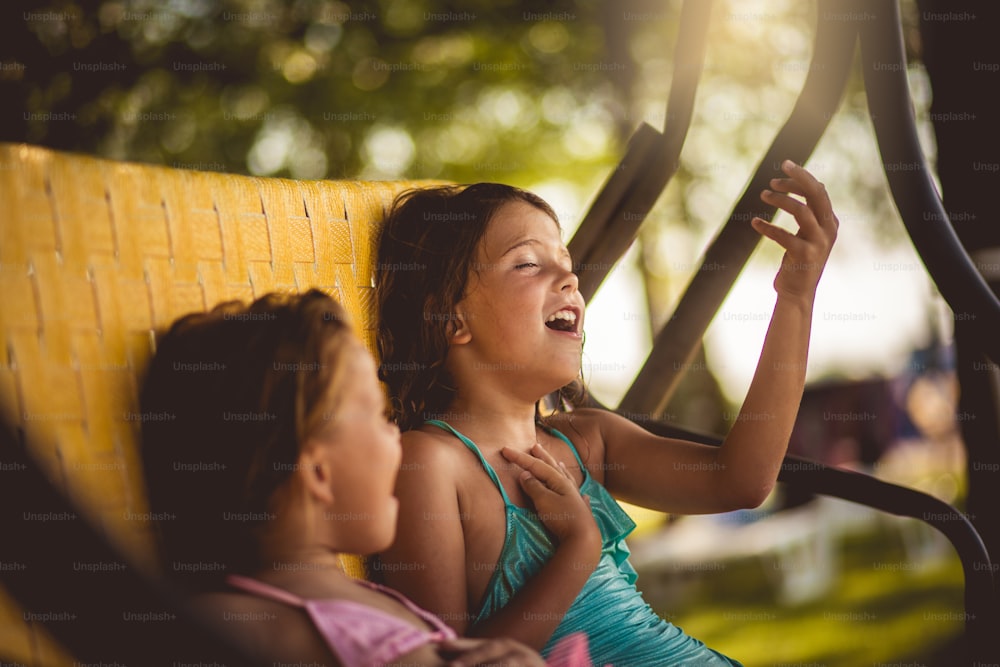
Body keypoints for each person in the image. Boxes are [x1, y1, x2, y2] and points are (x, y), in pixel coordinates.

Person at [374, 161, 839, 666]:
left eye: (566, 260)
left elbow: (741, 481)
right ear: (452, 316)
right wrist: (579, 547)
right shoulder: (431, 464)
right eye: (528, 263)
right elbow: (445, 664)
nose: (569, 277)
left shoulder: (588, 441)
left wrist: (794, 299)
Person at [139, 290, 594, 667]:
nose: (396, 434)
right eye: (378, 417)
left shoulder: (280, 607)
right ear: (319, 473)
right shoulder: (255, 623)